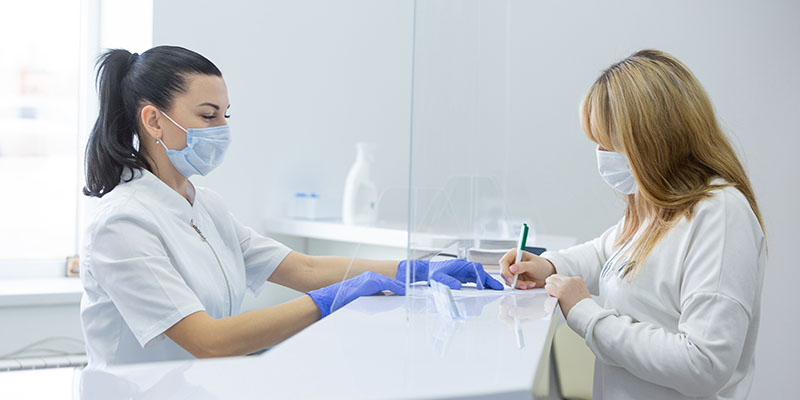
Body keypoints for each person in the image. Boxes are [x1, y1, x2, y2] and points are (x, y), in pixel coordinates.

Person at [79, 45, 502, 367]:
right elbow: (207, 340)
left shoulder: (204, 207)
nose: (223, 129)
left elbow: (305, 269)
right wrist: (326, 302)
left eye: (226, 114)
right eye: (208, 116)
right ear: (154, 121)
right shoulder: (122, 222)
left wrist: (416, 269)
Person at [500, 50, 766, 400]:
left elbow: (704, 364)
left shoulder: (720, 214)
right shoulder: (658, 206)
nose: (601, 154)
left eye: (609, 143)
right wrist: (550, 265)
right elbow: (609, 254)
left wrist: (586, 315)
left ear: (653, 139)